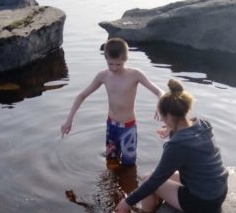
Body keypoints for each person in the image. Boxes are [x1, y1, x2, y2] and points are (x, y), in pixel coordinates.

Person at [115, 78, 228, 213]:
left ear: (168, 115)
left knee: (147, 181)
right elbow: (187, 133)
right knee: (148, 177)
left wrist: (127, 201)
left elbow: (156, 180)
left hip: (201, 202)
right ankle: (155, 206)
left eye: (161, 117)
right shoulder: (202, 125)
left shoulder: (177, 145)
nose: (161, 120)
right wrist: (171, 130)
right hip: (218, 191)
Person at [60, 38, 163, 166]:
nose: (114, 68)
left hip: (128, 128)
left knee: (129, 164)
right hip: (111, 126)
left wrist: (160, 103)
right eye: (110, 64)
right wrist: (69, 120)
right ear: (106, 59)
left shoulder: (135, 75)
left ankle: (129, 185)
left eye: (118, 64)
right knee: (111, 161)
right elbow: (81, 96)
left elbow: (159, 91)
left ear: (125, 59)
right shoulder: (103, 76)